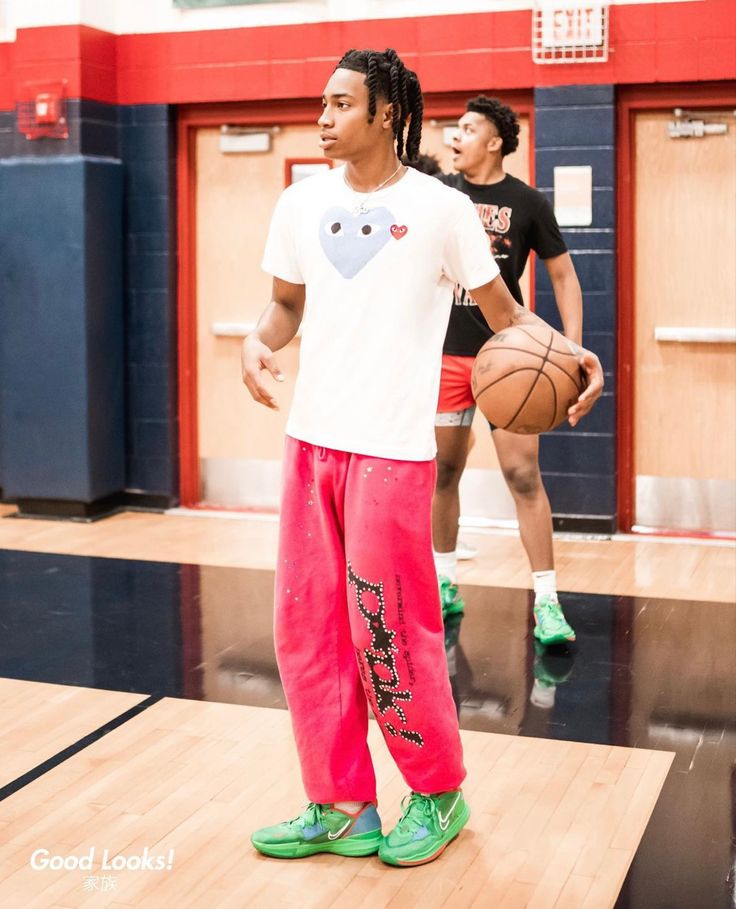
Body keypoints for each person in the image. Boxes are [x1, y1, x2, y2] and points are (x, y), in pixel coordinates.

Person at [241, 50, 603, 868]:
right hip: (311, 443)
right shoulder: (299, 203)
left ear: (385, 114)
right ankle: (341, 804)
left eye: (341, 104)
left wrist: (575, 357)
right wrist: (256, 345)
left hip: (392, 452)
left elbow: (506, 315)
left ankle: (436, 791)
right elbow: (285, 306)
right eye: (322, 102)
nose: (324, 116)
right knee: (306, 629)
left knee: (389, 632)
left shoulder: (442, 210)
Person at [432, 96, 584, 646]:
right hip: (444, 354)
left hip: (508, 356)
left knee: (523, 478)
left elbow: (564, 276)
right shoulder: (440, 194)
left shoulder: (526, 202)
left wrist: (569, 347)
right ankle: (444, 582)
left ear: (494, 141)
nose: (457, 134)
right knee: (443, 474)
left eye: (468, 128)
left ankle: (547, 602)